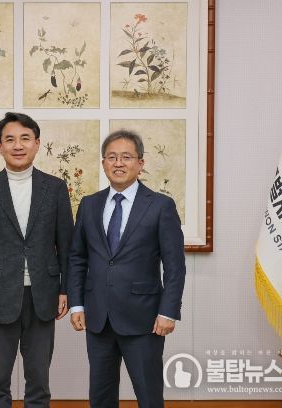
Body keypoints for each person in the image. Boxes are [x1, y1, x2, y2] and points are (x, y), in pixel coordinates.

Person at [67, 130, 186, 408]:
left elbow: (175, 266)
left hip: (144, 319)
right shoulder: (89, 204)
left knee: (149, 396)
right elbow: (77, 258)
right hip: (98, 318)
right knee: (100, 397)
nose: (118, 163)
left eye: (126, 157)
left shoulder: (160, 206)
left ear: (140, 163)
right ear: (103, 163)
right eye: (111, 157)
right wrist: (76, 305)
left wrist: (168, 312)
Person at [0, 112, 73, 408]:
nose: (18, 145)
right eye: (10, 139)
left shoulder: (55, 188)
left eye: (25, 138)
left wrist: (66, 289)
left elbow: (67, 246)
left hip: (44, 295)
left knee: (39, 381)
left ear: (37, 144)